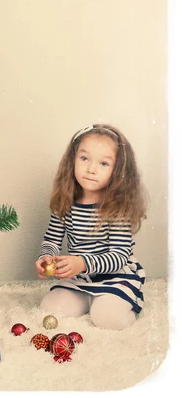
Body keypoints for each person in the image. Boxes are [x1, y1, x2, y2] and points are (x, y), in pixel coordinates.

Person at [35, 124, 147, 330]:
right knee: (50, 308)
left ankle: (120, 301)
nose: (91, 169)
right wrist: (46, 257)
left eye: (104, 163)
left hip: (115, 277)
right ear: (72, 161)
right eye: (84, 158)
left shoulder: (117, 208)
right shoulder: (66, 202)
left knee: (108, 319)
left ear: (119, 171)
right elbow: (52, 239)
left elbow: (119, 255)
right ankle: (88, 299)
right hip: (79, 278)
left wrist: (83, 262)